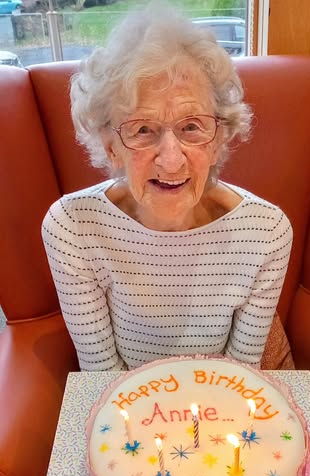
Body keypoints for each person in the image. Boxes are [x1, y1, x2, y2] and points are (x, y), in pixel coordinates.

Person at [42, 1, 293, 373]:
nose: (171, 160)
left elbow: (242, 377)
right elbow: (101, 376)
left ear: (220, 138)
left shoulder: (266, 232)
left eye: (192, 126)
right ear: (110, 146)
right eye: (143, 129)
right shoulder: (72, 228)